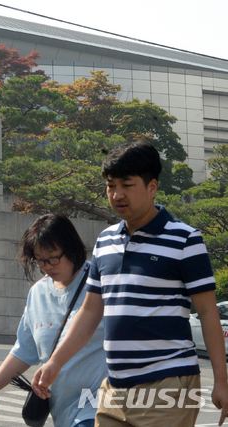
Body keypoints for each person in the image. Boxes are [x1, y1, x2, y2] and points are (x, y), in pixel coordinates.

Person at [31, 141, 228, 427]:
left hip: (168, 382)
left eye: (127, 184)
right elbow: (89, 312)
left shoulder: (185, 240)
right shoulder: (105, 241)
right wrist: (55, 362)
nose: (117, 194)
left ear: (152, 187)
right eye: (111, 186)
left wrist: (221, 381)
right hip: (115, 385)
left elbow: (209, 313)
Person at [0, 213, 106, 427]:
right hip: (61, 411)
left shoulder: (100, 285)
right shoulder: (37, 293)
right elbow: (24, 351)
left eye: (53, 257)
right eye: (40, 260)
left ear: (72, 248)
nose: (47, 266)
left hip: (99, 408)